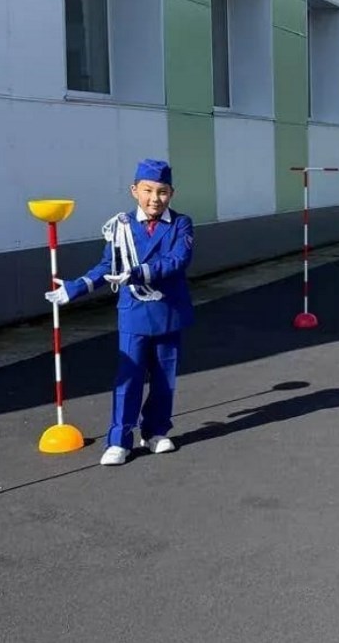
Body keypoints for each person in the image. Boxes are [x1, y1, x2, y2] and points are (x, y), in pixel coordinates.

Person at [44, 159, 196, 465]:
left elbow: (178, 260)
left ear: (172, 193)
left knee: (165, 378)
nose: (155, 198)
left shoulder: (181, 224)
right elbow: (107, 266)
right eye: (148, 190)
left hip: (168, 313)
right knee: (129, 378)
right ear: (134, 191)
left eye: (162, 192)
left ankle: (155, 431)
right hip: (134, 313)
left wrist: (137, 273)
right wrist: (75, 288)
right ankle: (119, 439)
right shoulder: (121, 226)